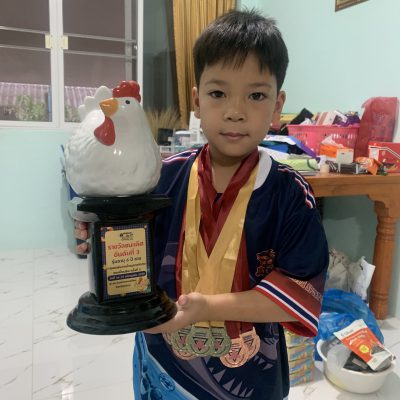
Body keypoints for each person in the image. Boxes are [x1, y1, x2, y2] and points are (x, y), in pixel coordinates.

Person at [75, 9, 328, 400]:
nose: (235, 111)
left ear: (278, 105)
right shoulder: (159, 178)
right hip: (163, 364)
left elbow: (297, 296)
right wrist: (102, 233)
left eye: (256, 95)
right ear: (196, 100)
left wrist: (207, 307)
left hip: (249, 379)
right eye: (218, 93)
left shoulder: (290, 195)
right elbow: (130, 249)